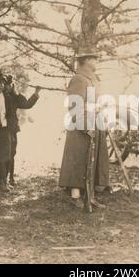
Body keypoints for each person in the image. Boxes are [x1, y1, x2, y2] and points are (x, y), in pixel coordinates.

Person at [59, 47, 109, 209]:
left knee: (91, 160)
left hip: (94, 121)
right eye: (94, 59)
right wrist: (85, 126)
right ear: (86, 61)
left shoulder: (93, 79)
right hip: (81, 126)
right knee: (78, 159)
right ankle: (75, 196)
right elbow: (74, 106)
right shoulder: (78, 79)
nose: (96, 62)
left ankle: (90, 196)